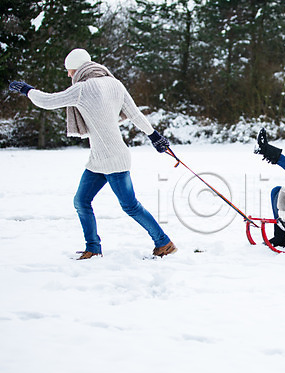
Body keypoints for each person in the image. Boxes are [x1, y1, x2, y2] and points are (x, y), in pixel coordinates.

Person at [9, 48, 177, 259]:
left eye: (70, 71)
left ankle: (164, 242)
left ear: (78, 68)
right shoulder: (114, 82)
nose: (69, 75)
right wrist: (154, 136)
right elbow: (135, 114)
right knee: (81, 201)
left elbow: (48, 101)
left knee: (130, 206)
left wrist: (27, 89)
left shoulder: (82, 88)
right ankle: (93, 248)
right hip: (100, 159)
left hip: (113, 159)